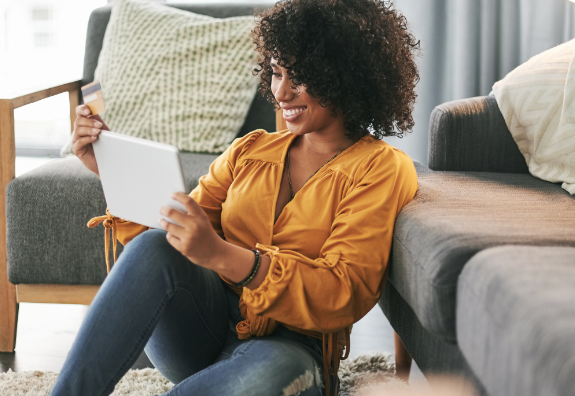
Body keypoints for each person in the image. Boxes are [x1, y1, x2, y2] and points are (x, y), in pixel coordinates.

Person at [51, 0, 419, 394]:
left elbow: (341, 291)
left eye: (301, 77)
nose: (282, 91)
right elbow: (173, 235)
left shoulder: (380, 168)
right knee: (157, 244)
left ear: (343, 75)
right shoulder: (251, 150)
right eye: (277, 73)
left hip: (294, 349)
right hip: (202, 331)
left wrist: (223, 255)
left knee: (269, 373)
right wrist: (107, 167)